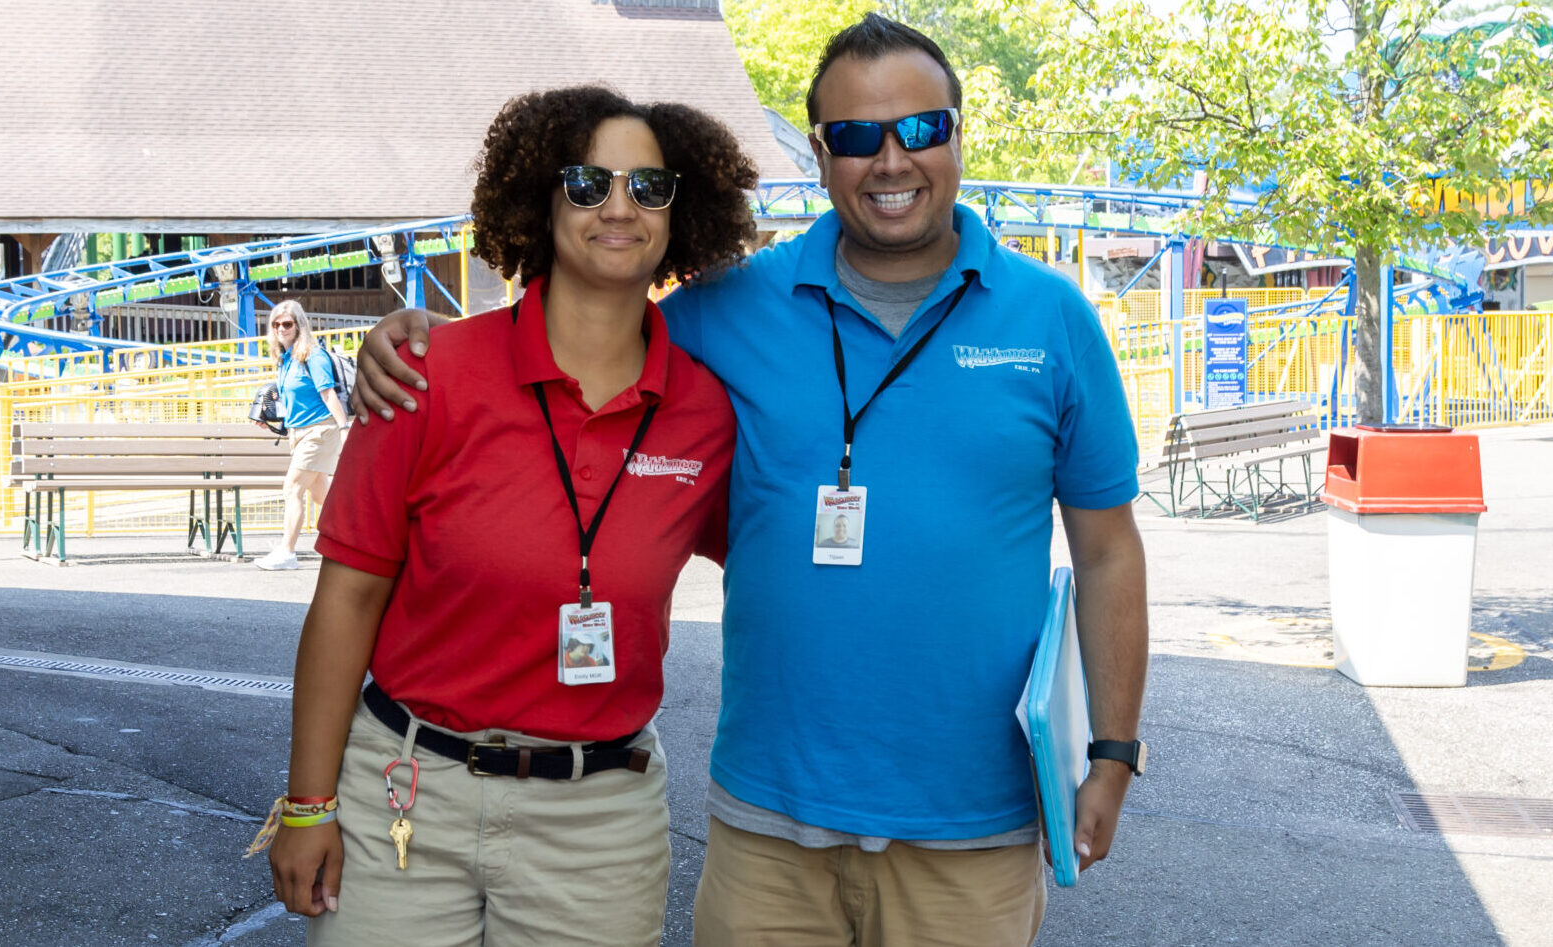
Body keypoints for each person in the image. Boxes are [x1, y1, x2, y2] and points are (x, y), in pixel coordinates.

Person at [351, 15, 1149, 947]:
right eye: (855, 137)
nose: (890, 160)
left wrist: (1113, 756)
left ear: (958, 134)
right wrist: (413, 334)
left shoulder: (1052, 319)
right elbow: (582, 331)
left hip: (973, 831)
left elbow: (1106, 554)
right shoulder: (725, 309)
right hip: (768, 833)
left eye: (920, 130)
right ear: (818, 154)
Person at [257, 85, 756, 946]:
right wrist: (307, 804)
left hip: (598, 819)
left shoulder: (708, 411)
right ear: (539, 198)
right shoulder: (423, 373)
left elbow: (784, 560)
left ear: (682, 213)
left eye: (649, 186)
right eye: (587, 182)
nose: (618, 206)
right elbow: (346, 598)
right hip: (408, 791)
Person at [253, 299, 349, 571]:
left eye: (287, 324)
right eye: (276, 324)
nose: (281, 328)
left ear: (299, 325)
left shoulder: (312, 356)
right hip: (299, 433)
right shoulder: (285, 359)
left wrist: (344, 429)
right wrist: (272, 419)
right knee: (322, 497)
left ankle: (287, 552)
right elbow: (294, 399)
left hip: (320, 431)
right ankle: (355, 536)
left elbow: (327, 393)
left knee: (292, 488)